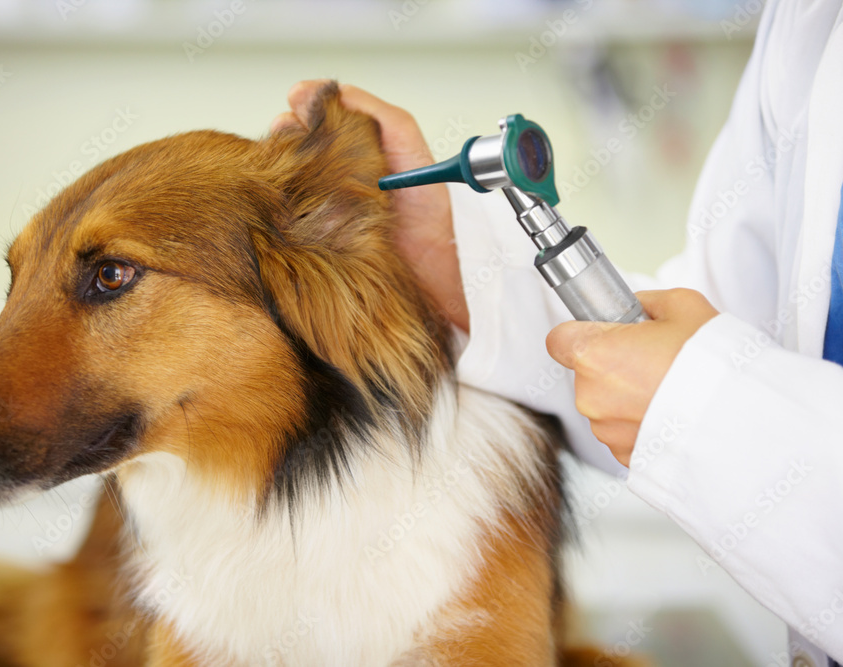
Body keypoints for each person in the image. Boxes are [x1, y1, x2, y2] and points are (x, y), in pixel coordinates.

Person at [273, 0, 843, 664]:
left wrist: (705, 407)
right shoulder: (808, 20)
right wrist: (456, 272)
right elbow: (733, 321)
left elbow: (714, 372)